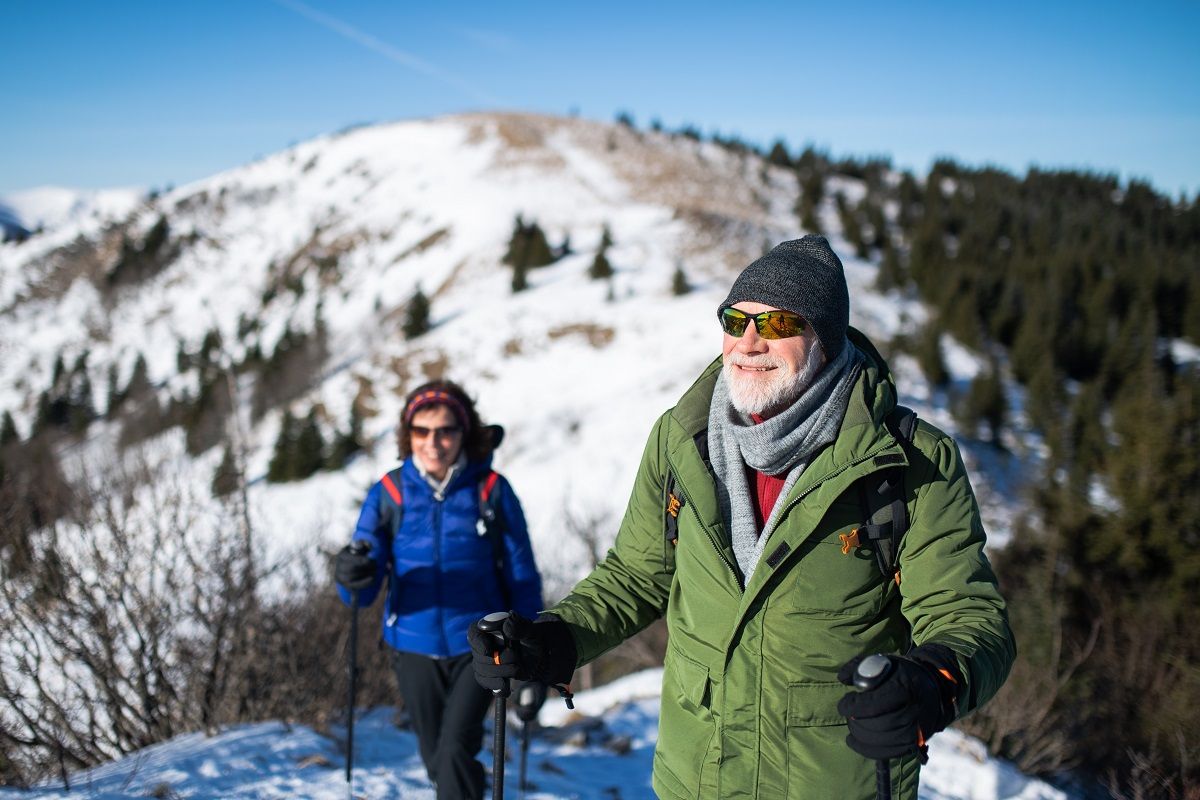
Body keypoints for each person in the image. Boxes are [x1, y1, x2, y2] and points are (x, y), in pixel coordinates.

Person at [468, 236, 1015, 800]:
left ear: (824, 339)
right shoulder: (684, 440)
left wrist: (934, 682)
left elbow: (966, 612)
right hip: (697, 779)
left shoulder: (909, 461)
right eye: (735, 320)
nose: (749, 342)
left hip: (836, 782)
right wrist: (553, 640)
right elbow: (637, 575)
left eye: (778, 324)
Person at [336, 379, 544, 800]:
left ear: (463, 434)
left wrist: (536, 655)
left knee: (453, 752)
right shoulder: (389, 493)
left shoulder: (491, 490)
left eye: (446, 430)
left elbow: (522, 573)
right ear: (407, 435)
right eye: (422, 431)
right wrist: (353, 573)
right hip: (412, 648)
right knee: (437, 759)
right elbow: (362, 584)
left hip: (481, 644)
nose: (434, 442)